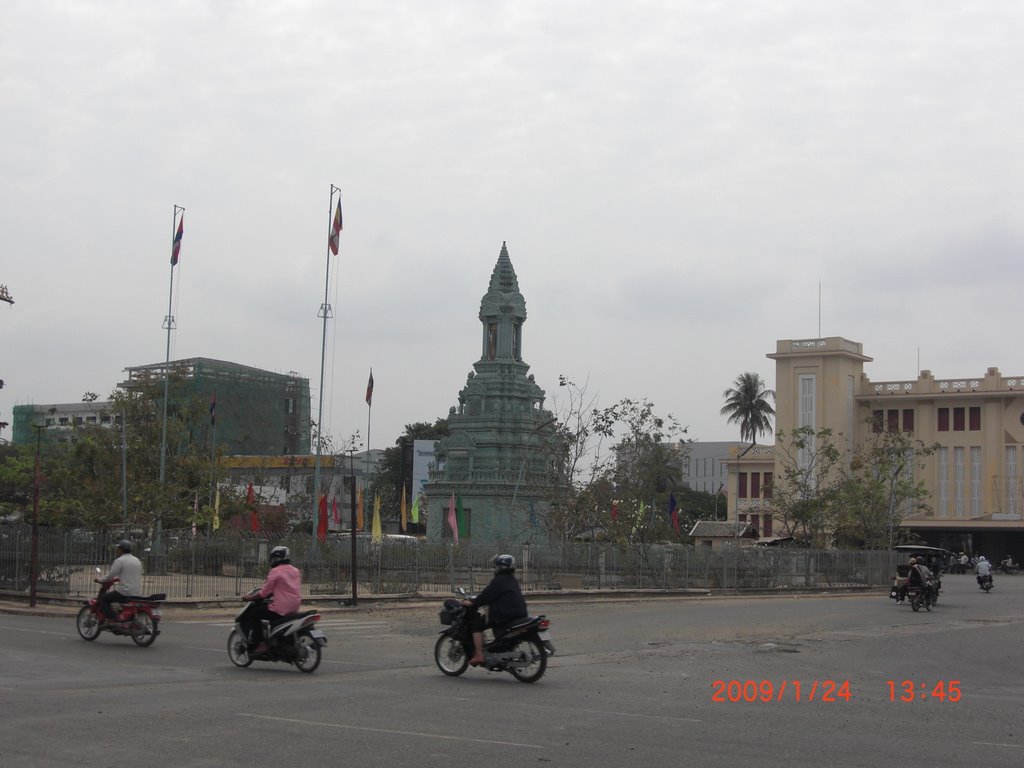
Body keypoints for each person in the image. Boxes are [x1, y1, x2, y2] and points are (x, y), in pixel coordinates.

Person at [461, 554, 528, 666]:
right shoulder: (513, 580)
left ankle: (479, 655)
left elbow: (486, 596)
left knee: (477, 627)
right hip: (520, 613)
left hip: (503, 614)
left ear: (500, 567)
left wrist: (472, 603)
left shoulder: (499, 580)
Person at [241, 545, 302, 655]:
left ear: (276, 558)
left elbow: (264, 592)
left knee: (255, 613)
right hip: (294, 606)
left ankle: (261, 643)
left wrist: (250, 597)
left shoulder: (275, 571)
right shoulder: (295, 571)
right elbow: (287, 587)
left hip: (281, 608)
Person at [96, 539, 143, 625]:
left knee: (103, 599)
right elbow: (131, 574)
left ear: (121, 550)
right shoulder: (137, 560)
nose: (117, 551)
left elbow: (110, 576)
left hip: (125, 592)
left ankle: (111, 619)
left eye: (118, 549)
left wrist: (100, 579)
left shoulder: (120, 560)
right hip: (137, 592)